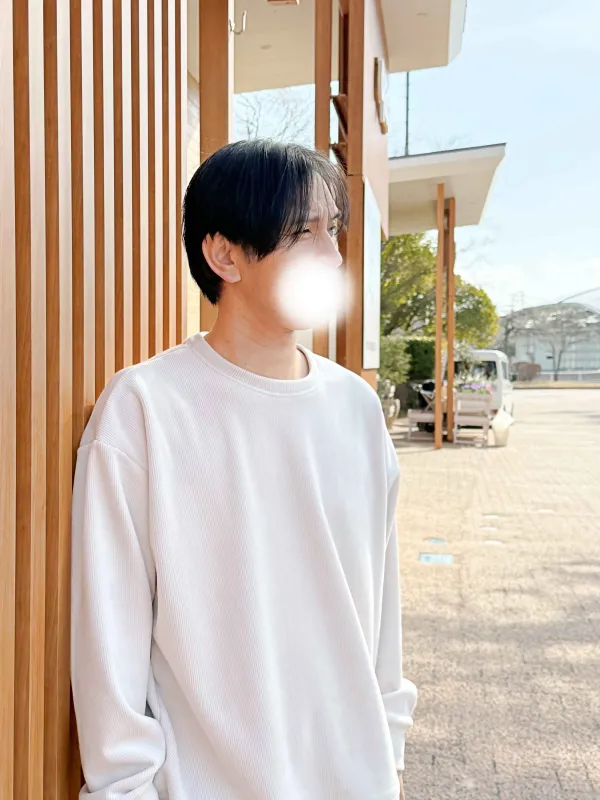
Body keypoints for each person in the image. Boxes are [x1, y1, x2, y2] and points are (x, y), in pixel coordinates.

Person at [71, 139, 417, 800]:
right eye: (303, 233)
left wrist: (391, 757)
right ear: (224, 254)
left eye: (333, 230)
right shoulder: (145, 410)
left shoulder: (356, 407)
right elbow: (108, 647)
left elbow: (379, 613)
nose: (332, 256)